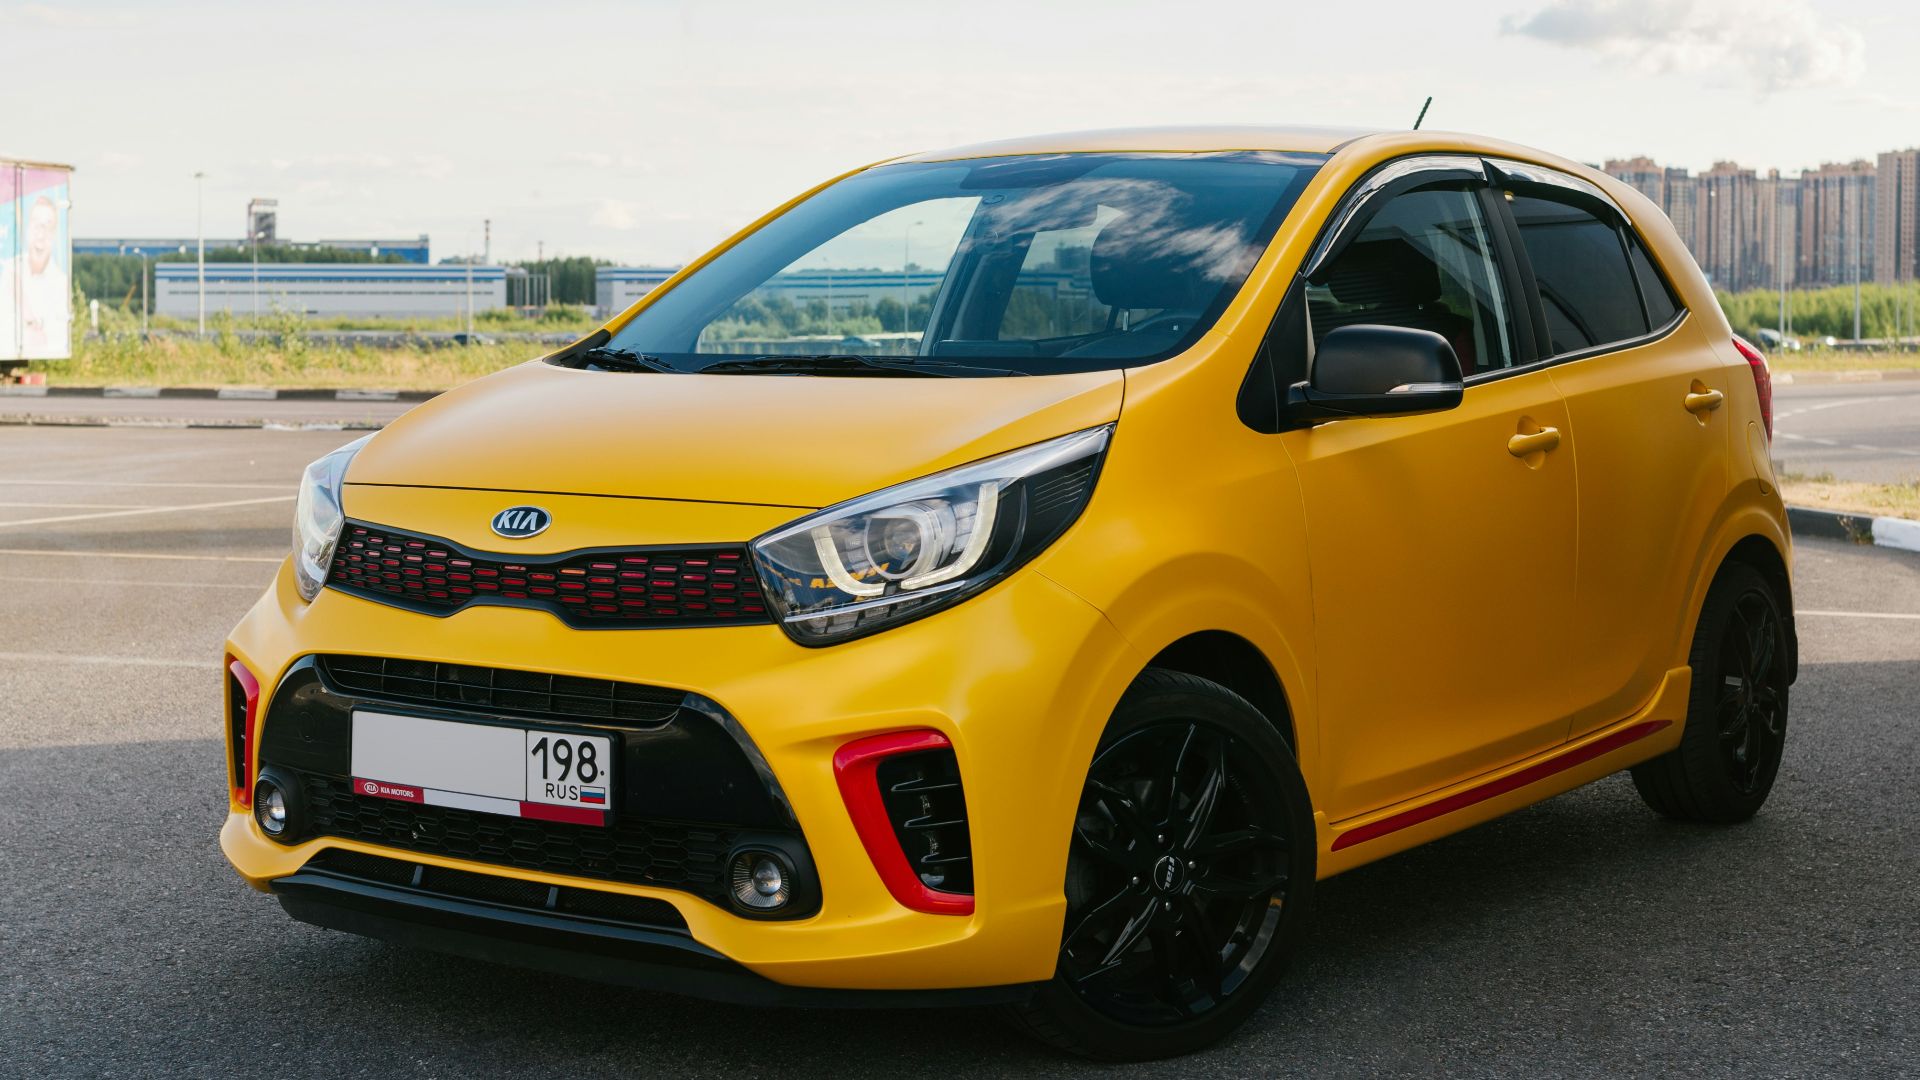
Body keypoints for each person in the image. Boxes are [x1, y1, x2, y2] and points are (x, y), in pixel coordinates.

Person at [20, 194, 68, 357]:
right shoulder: (10, 270)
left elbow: (52, 337)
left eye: (47, 226)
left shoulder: (60, 283)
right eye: (36, 225)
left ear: (54, 234)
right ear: (27, 229)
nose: (41, 233)